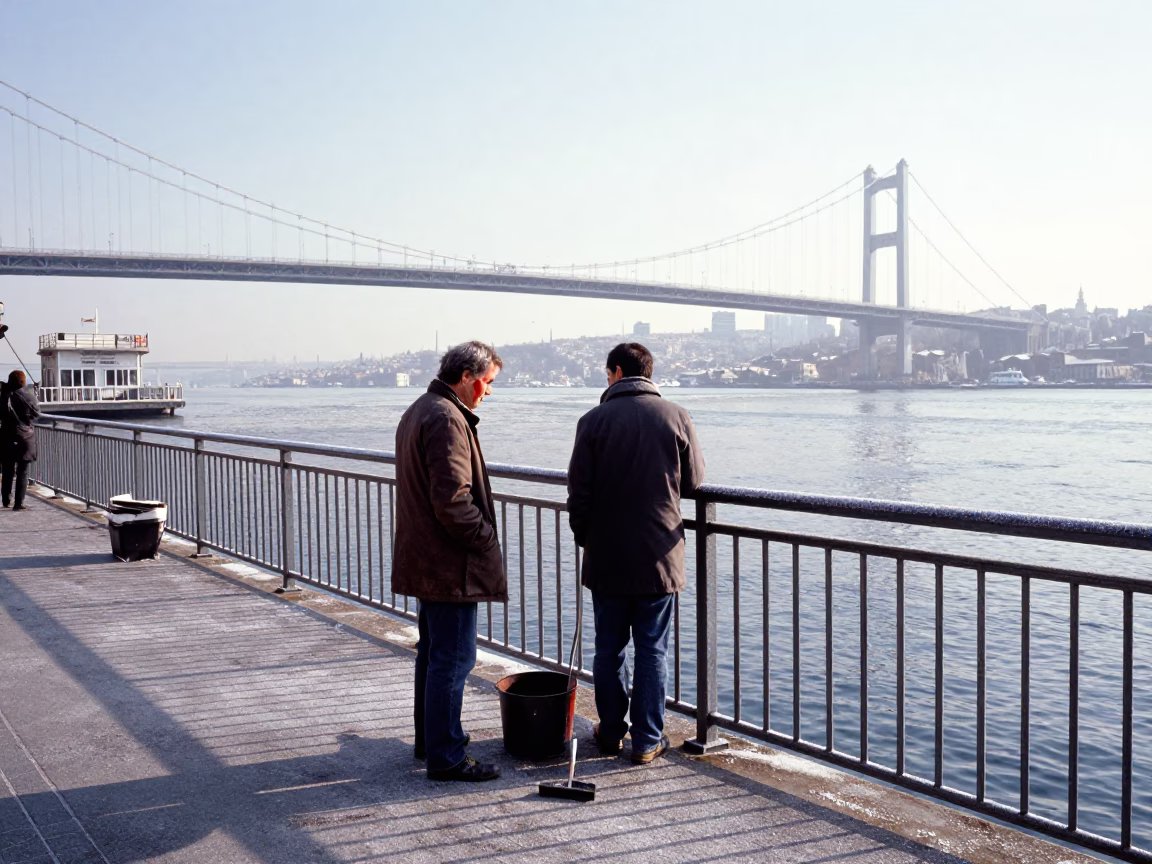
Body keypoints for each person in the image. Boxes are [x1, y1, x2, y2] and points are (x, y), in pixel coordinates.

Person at [567, 342, 705, 764]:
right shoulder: (677, 416)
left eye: (606, 374)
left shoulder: (592, 421)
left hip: (607, 555)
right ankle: (646, 740)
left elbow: (579, 494)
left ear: (616, 372)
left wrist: (586, 537)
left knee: (608, 649)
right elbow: (695, 483)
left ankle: (610, 733)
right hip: (659, 554)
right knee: (652, 649)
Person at [393, 341, 505, 782]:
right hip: (450, 564)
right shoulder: (446, 419)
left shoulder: (421, 409)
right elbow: (454, 500)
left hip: (426, 557)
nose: (489, 392)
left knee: (434, 654)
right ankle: (448, 756)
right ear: (466, 377)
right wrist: (486, 541)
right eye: (488, 382)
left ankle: (431, 741)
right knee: (454, 659)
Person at [1, 370, 41, 511]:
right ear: (23, 382)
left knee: (7, 470)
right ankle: (19, 503)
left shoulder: (4, 397)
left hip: (6, 437)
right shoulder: (29, 398)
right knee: (22, 471)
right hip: (25, 438)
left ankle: (6, 500)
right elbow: (36, 413)